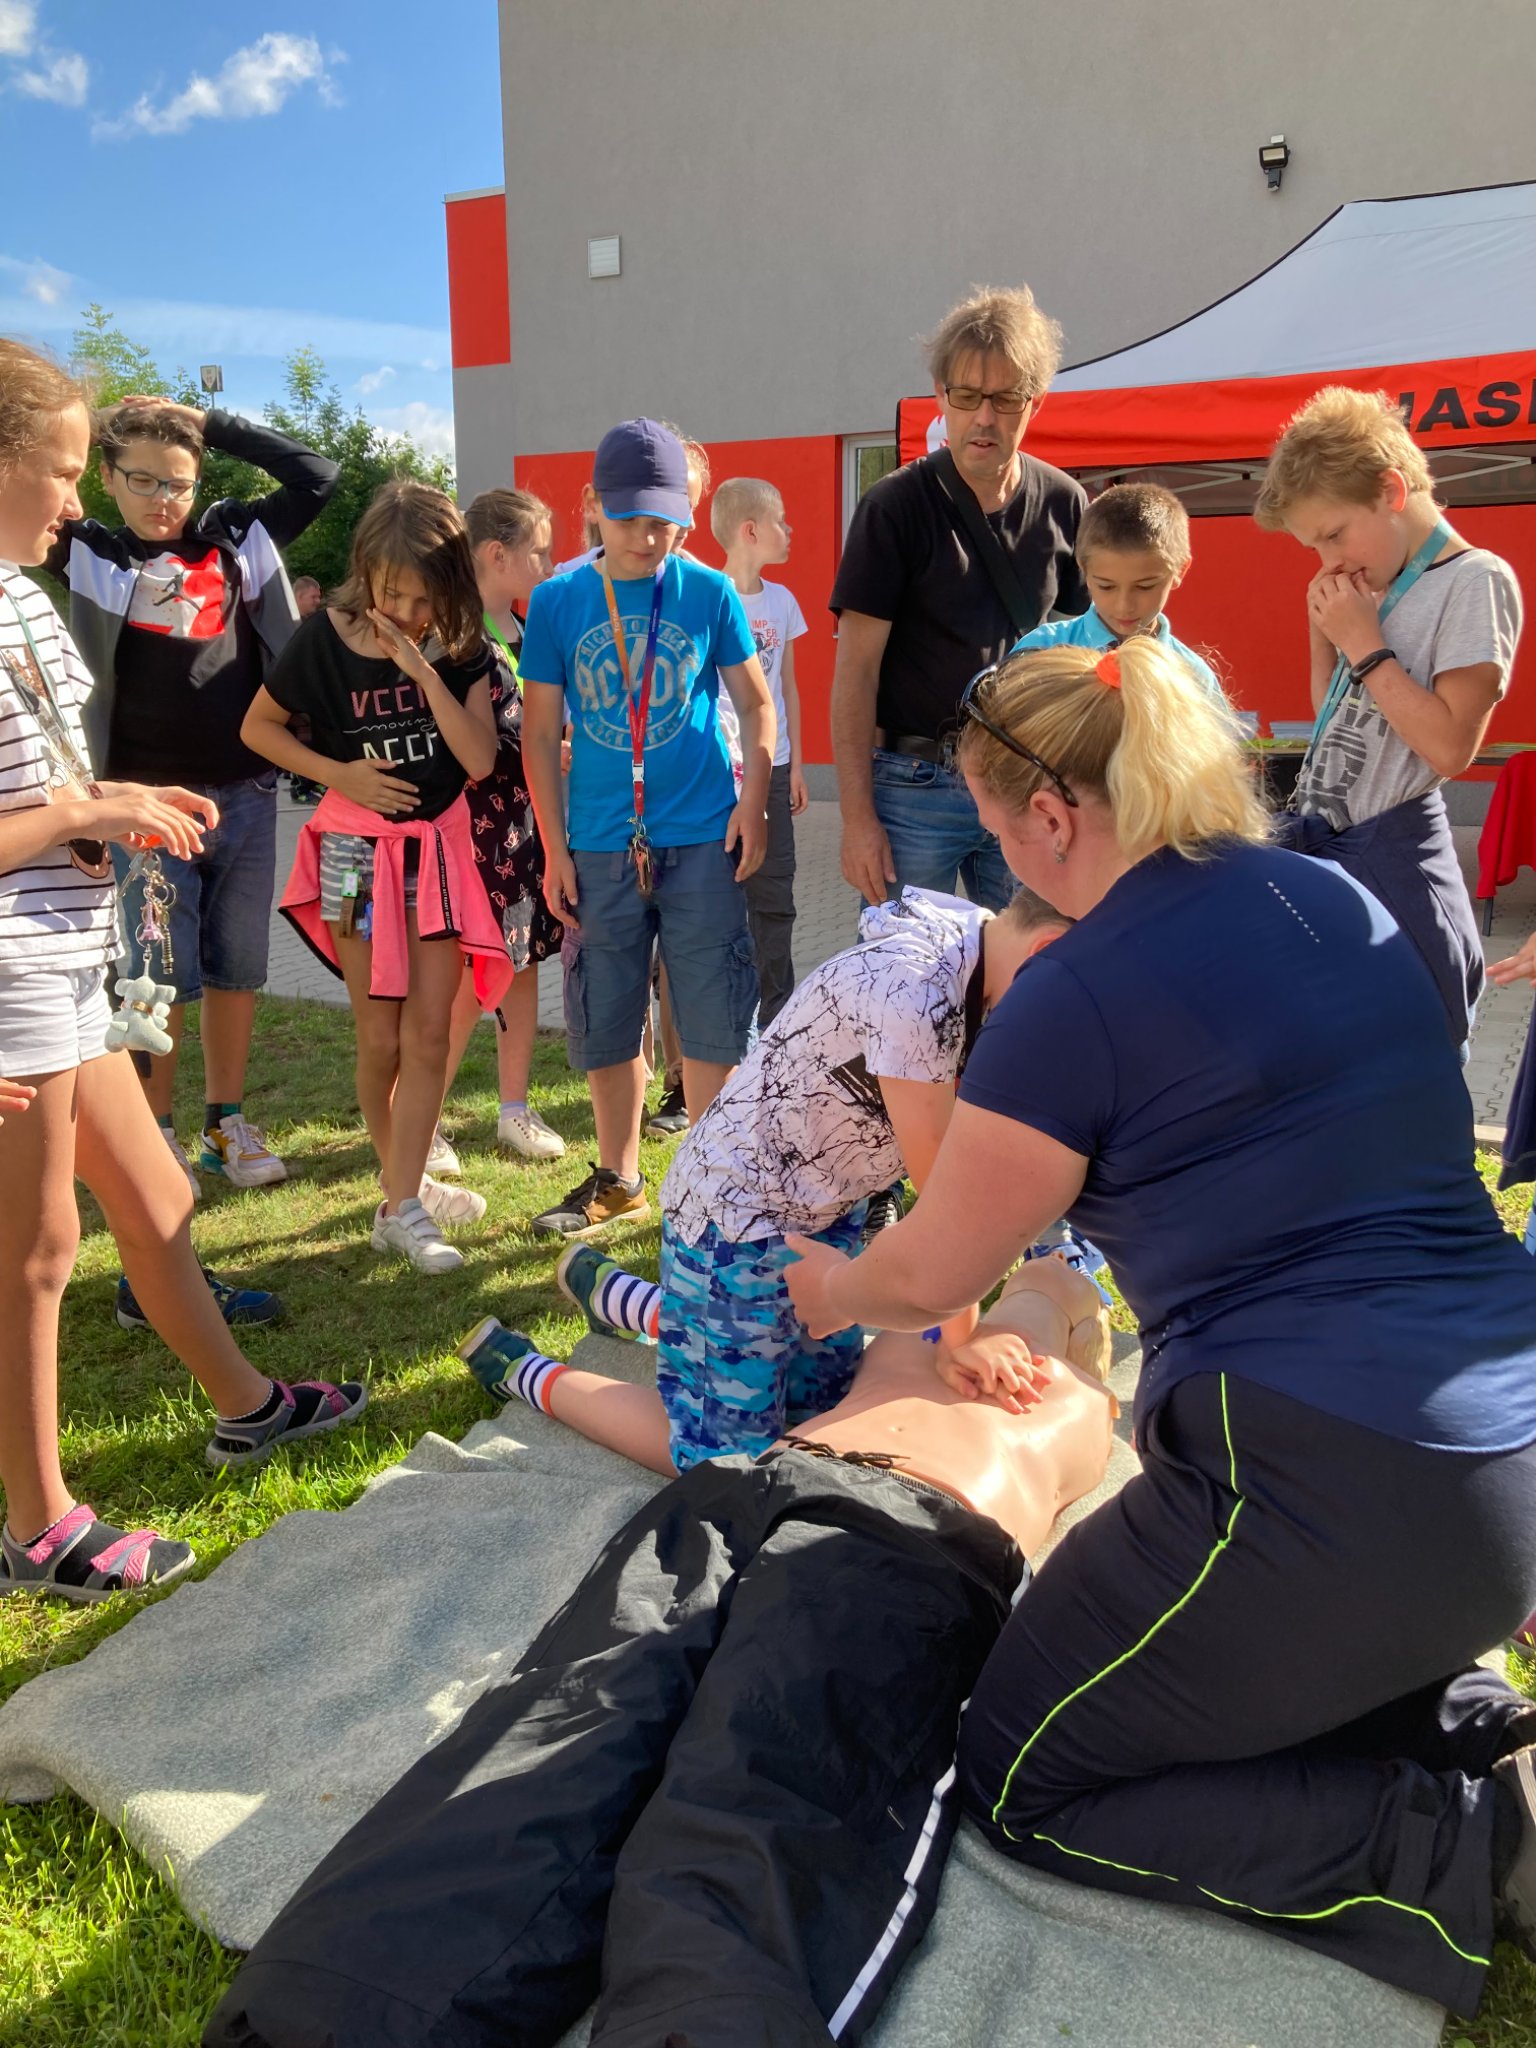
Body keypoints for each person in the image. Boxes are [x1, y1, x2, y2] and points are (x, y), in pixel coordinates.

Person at [785, 631, 1536, 2021]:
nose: (1005, 865)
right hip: (1505, 1444)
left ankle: (1468, 1850)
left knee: (1024, 1768)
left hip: (1335, 1482)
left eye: (1000, 830)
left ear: (1053, 814)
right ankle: (1484, 1728)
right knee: (1204, 1658)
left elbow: (933, 1267)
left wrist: (831, 1288)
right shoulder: (1327, 892)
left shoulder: (1076, 993)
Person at [203, 1256, 1115, 2048]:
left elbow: (1044, 1287)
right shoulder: (944, 1332)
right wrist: (986, 1310)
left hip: (900, 1527)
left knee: (732, 1753)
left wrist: (1006, 1312)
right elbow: (1005, 1275)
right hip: (766, 1491)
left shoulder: (1071, 1399)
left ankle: (339, 2008)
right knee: (589, 1722)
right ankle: (326, 2012)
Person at [0, 340, 364, 1600]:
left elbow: (45, 776)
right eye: (63, 472)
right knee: (39, 1249)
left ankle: (249, 1406)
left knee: (157, 1197)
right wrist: (84, 815)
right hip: (12, 982)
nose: (76, 503)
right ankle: (38, 1528)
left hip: (70, 958)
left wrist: (117, 803)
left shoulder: (24, 595)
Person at [461, 885, 1068, 1470]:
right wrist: (964, 1339)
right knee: (725, 1463)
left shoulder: (984, 949)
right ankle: (527, 1373)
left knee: (813, 1413)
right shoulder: (918, 988)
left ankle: (631, 1300)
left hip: (822, 1215)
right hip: (735, 1222)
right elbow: (944, 1199)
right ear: (1045, 950)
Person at [48, 396, 338, 1192]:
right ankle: (157, 1132)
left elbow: (316, 475)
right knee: (153, 974)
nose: (160, 498)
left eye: (176, 481)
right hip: (145, 807)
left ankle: (224, 1124)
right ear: (107, 477)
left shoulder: (237, 537)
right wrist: (77, 421)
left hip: (246, 790)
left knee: (238, 969)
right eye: (140, 479)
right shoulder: (88, 551)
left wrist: (210, 422)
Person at [519, 418, 774, 1240]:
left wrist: (754, 802)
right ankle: (620, 1178)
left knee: (713, 1016)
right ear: (593, 505)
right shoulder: (558, 601)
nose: (649, 536)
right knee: (607, 1017)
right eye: (630, 518)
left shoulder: (708, 592)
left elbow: (756, 704)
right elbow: (537, 734)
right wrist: (554, 848)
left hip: (702, 840)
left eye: (666, 520)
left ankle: (711, 1184)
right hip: (599, 845)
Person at [241, 483, 504, 1276]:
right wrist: (339, 775)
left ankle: (400, 1202)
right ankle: (405, 1193)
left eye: (424, 597)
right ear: (365, 571)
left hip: (436, 858)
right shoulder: (322, 638)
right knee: (379, 1033)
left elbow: (479, 760)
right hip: (352, 863)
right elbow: (258, 727)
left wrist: (422, 670)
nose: (407, 611)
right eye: (392, 593)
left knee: (430, 1034)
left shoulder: (461, 644)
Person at [1255, 386, 1523, 1049]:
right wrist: (1326, 634)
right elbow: (1334, 721)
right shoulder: (1374, 585)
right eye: (1314, 548)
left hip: (1396, 858)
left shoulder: (1476, 580)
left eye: (1334, 534)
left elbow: (1450, 748)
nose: (1330, 561)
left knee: (1417, 1041)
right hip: (1335, 847)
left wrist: (1364, 644)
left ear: (1392, 491)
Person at [829, 285, 1087, 911]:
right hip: (912, 790)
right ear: (941, 396)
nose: (984, 417)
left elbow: (1084, 663)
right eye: (966, 396)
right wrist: (858, 821)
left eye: (1005, 398)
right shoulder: (892, 508)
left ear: (1035, 401)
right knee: (907, 970)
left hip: (1027, 782)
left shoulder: (1066, 503)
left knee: (1035, 963)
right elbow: (855, 674)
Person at [435, 487, 566, 1165]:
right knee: (469, 979)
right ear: (496, 554)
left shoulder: (523, 629)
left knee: (522, 963)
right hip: (473, 833)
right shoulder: (455, 638)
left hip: (526, 825)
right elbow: (464, 745)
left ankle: (514, 1107)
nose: (549, 564)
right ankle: (425, 1116)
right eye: (538, 551)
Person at [710, 476, 810, 1029]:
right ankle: (728, 1023)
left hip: (772, 768)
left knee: (775, 898)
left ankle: (777, 1023)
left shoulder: (783, 601)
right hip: (718, 775)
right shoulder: (707, 595)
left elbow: (786, 687)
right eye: (781, 521)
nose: (790, 530)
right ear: (750, 530)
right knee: (720, 897)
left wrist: (795, 765)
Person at [1011, 481, 1223, 694]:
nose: (1124, 606)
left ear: (1180, 571)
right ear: (1083, 568)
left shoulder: (1194, 677)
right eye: (1106, 586)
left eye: (1144, 587)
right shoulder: (1040, 651)